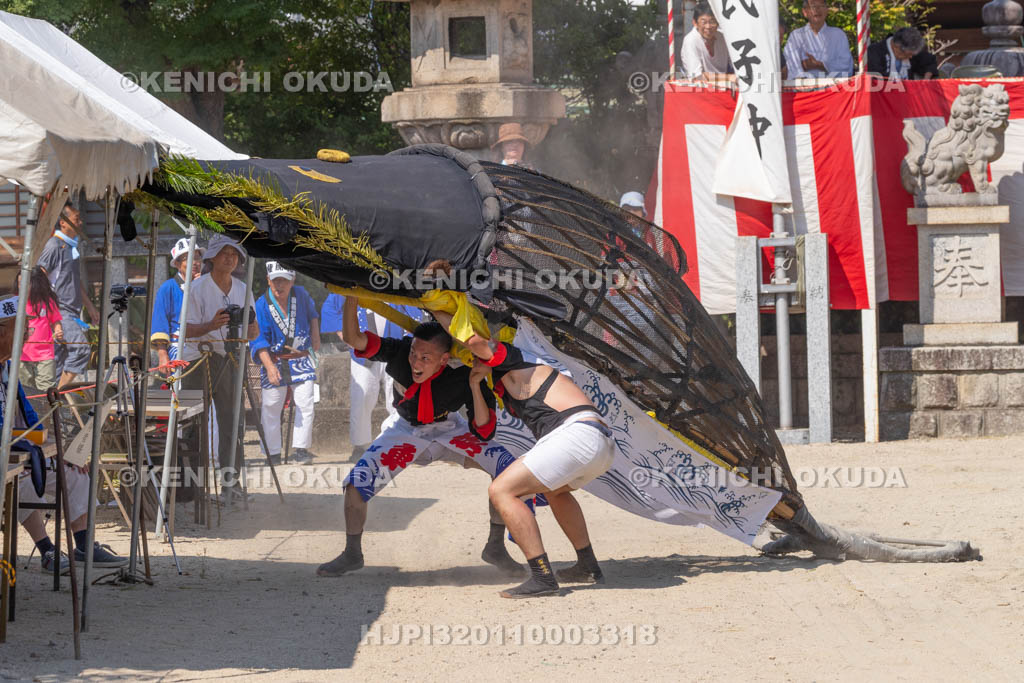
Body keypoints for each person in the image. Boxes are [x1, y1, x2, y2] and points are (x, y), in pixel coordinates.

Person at [316, 297, 523, 578]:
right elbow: (355, 339)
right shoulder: (400, 351)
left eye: (426, 358)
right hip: (405, 429)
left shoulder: (463, 369)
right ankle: (353, 552)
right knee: (355, 486)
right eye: (415, 353)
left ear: (444, 358)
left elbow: (484, 429)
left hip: (449, 428)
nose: (416, 362)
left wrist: (475, 385)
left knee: (507, 472)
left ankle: (496, 546)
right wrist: (352, 298)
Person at [441, 313, 615, 599]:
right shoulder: (504, 376)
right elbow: (483, 429)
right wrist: (474, 384)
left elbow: (475, 341)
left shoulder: (517, 357)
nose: (471, 358)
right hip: (598, 444)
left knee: (501, 491)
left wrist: (433, 303)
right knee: (556, 491)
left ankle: (542, 577)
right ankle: (588, 566)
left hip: (578, 434)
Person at [0, 296, 126, 572]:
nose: (26, 337)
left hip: (19, 451)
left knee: (73, 472)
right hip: (7, 460)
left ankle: (82, 544)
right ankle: (48, 550)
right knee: (20, 481)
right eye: (19, 331)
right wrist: (31, 444)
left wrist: (55, 447)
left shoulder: (8, 368)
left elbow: (31, 419)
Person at [181, 235, 258, 503]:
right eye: (224, 253)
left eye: (234, 254)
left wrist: (246, 329)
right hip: (197, 358)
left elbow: (254, 330)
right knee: (192, 423)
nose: (230, 258)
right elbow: (184, 331)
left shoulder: (243, 289)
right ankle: (192, 487)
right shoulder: (196, 288)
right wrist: (211, 326)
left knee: (231, 421)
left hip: (230, 357)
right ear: (212, 257)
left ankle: (230, 484)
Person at [320, 293, 422, 461]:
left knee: (397, 398)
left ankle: (399, 443)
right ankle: (360, 445)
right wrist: (344, 333)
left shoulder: (392, 279)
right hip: (362, 349)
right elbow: (330, 307)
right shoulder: (352, 280)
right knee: (362, 396)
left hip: (394, 347)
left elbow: (413, 310)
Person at [251, 262, 321, 465]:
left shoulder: (301, 294)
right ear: (268, 280)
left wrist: (316, 335)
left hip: (300, 357)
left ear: (293, 280)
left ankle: (301, 449)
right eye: (275, 280)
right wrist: (270, 367)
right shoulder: (262, 304)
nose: (279, 285)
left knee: (305, 402)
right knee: (271, 405)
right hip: (274, 359)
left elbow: (312, 315)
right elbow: (258, 339)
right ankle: (272, 452)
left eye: (284, 280)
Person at [36, 204, 100, 388]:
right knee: (80, 349)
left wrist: (89, 305)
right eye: (76, 219)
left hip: (71, 311)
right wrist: (48, 311)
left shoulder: (70, 247)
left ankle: (53, 403)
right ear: (63, 223)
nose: (81, 222)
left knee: (59, 361)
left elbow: (74, 280)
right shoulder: (54, 245)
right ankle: (57, 392)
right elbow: (40, 275)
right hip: (60, 310)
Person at [151, 237, 205, 368]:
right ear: (177, 264)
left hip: (207, 345)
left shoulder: (207, 284)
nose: (194, 262)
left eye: (197, 257)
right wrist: (162, 353)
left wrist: (202, 286)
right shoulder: (168, 288)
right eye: (188, 258)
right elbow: (160, 320)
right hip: (179, 347)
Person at [18, 266, 63, 393]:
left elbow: (56, 321)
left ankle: (47, 413)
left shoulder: (47, 302)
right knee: (25, 391)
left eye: (25, 283)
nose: (21, 287)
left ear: (36, 284)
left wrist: (58, 330)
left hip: (45, 356)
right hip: (21, 356)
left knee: (46, 390)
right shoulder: (15, 302)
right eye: (19, 283)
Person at [783, 0, 854, 79]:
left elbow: (846, 66)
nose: (817, 9)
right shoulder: (796, 36)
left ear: (827, 10)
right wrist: (803, 73)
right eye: (813, 6)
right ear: (805, 12)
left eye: (821, 5)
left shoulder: (838, 34)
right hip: (804, 88)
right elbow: (791, 66)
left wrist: (821, 65)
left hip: (833, 88)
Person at [680, 3, 733, 80]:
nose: (708, 27)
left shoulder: (723, 38)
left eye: (712, 22)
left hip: (725, 86)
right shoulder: (690, 41)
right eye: (703, 22)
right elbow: (697, 76)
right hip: (702, 88)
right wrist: (728, 77)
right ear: (695, 23)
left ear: (718, 23)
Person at [867, 27, 938, 81]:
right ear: (896, 47)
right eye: (908, 54)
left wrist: (926, 78)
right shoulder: (875, 52)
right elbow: (877, 79)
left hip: (909, 94)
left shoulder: (912, 49)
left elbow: (930, 61)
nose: (910, 57)